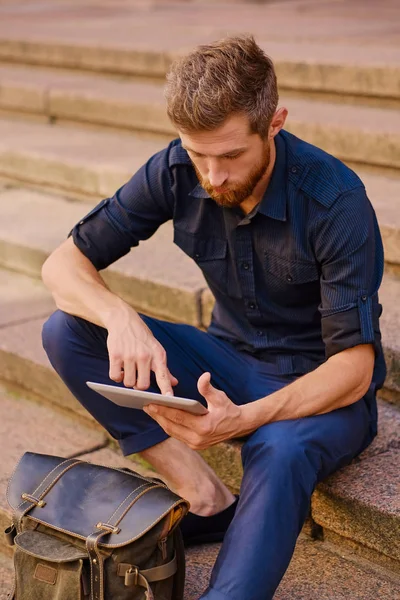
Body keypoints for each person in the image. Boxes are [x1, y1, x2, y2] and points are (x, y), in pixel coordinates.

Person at [41, 35, 386, 600]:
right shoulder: (178, 167)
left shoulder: (336, 202)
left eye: (230, 156)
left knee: (280, 447)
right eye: (198, 153)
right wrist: (120, 316)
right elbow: (63, 266)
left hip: (321, 389)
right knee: (68, 329)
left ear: (274, 122)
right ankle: (206, 497)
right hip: (224, 360)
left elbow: (354, 368)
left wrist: (247, 419)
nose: (213, 175)